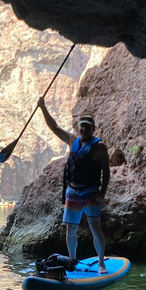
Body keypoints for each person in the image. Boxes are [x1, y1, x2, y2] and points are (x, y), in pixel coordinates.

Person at [37, 97, 110, 273]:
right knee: (71, 229)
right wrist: (43, 107)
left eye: (87, 126)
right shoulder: (72, 140)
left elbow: (106, 172)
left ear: (93, 129)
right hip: (72, 192)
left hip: (91, 193)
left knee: (95, 228)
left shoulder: (99, 147)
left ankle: (101, 263)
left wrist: (102, 194)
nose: (83, 128)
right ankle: (72, 260)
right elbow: (54, 127)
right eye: (81, 126)